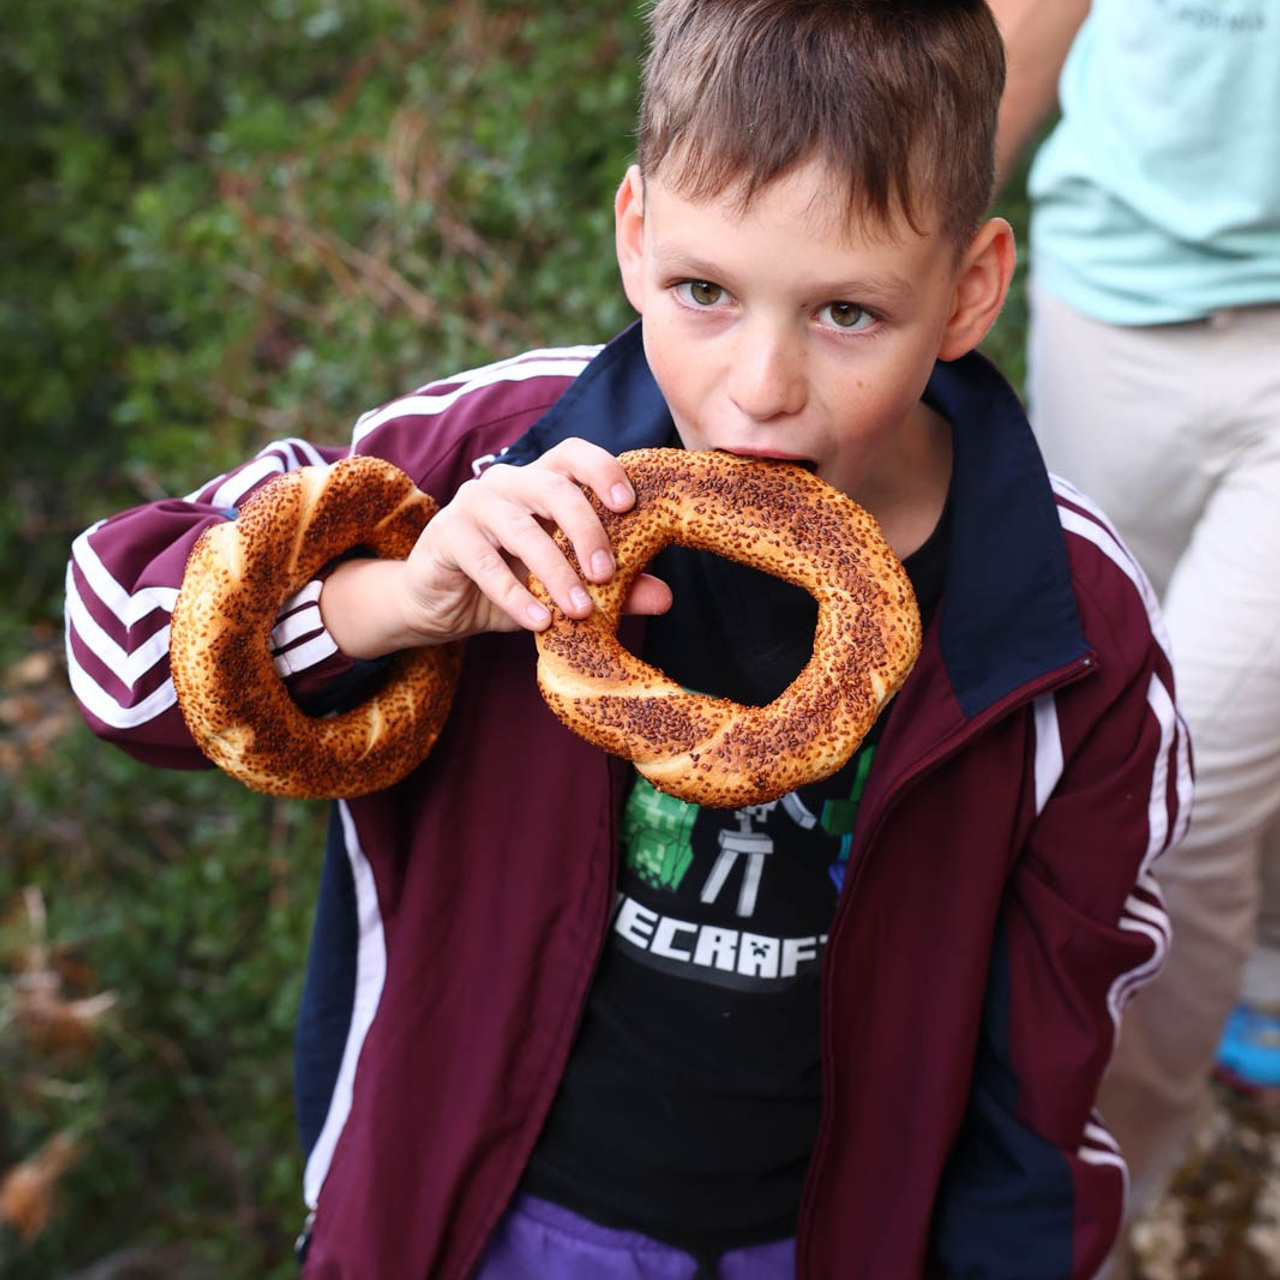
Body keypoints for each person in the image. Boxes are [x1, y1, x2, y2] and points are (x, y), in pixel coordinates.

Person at [63, 3, 1190, 1277]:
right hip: (453, 1221)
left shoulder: (1064, 628)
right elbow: (119, 662)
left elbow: (1039, 1090)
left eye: (847, 313)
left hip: (819, 1243)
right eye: (703, 291)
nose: (761, 385)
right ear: (634, 233)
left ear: (969, 290)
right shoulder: (484, 460)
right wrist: (398, 598)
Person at [989, 0, 1280, 1267]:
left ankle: (1085, 1199)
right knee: (1084, 734)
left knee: (1185, 793)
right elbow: (1020, 33)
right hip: (1108, 309)